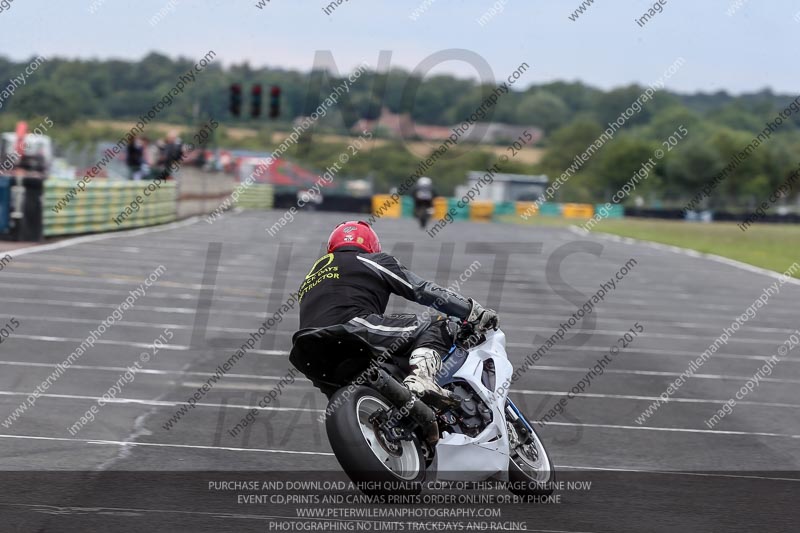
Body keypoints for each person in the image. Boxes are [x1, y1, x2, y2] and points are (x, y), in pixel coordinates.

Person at [290, 221, 498, 403]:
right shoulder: (372, 260)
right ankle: (422, 378)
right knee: (436, 323)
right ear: (371, 246)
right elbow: (421, 289)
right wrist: (471, 310)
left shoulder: (311, 276)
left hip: (306, 348)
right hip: (352, 328)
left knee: (349, 393)